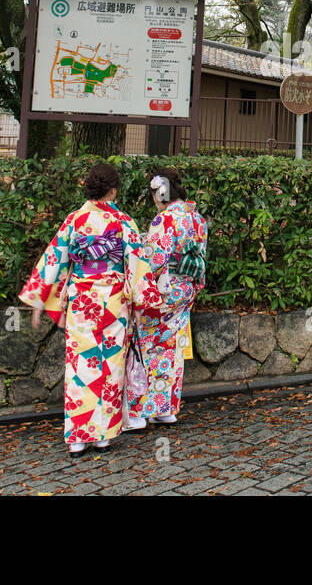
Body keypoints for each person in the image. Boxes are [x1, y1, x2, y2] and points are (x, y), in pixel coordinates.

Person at [18, 162, 143, 457]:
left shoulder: (74, 220)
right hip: (114, 302)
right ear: (113, 190)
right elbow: (137, 266)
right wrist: (139, 303)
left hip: (82, 300)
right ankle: (102, 436)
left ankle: (77, 437)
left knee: (80, 366)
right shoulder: (124, 222)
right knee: (111, 366)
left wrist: (41, 298)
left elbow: (55, 259)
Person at [125, 167, 208, 429]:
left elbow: (154, 260)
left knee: (147, 347)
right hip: (185, 289)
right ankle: (166, 408)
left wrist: (137, 288)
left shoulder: (165, 220)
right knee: (172, 349)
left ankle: (138, 413)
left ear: (159, 195)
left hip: (163, 290)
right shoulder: (196, 218)